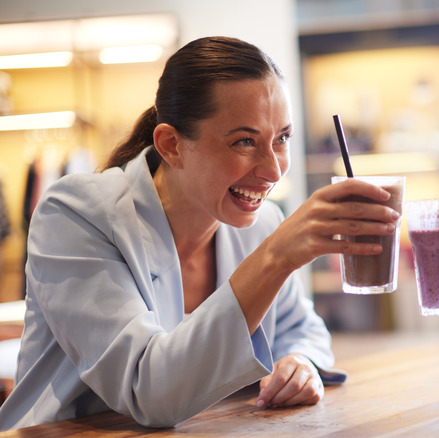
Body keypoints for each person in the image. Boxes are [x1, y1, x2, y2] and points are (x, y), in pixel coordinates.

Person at [0, 36, 400, 430]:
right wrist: (275, 258)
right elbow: (149, 392)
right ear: (171, 145)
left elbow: (301, 329)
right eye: (244, 141)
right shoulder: (73, 215)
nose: (274, 170)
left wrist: (300, 363)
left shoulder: (261, 224)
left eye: (282, 139)